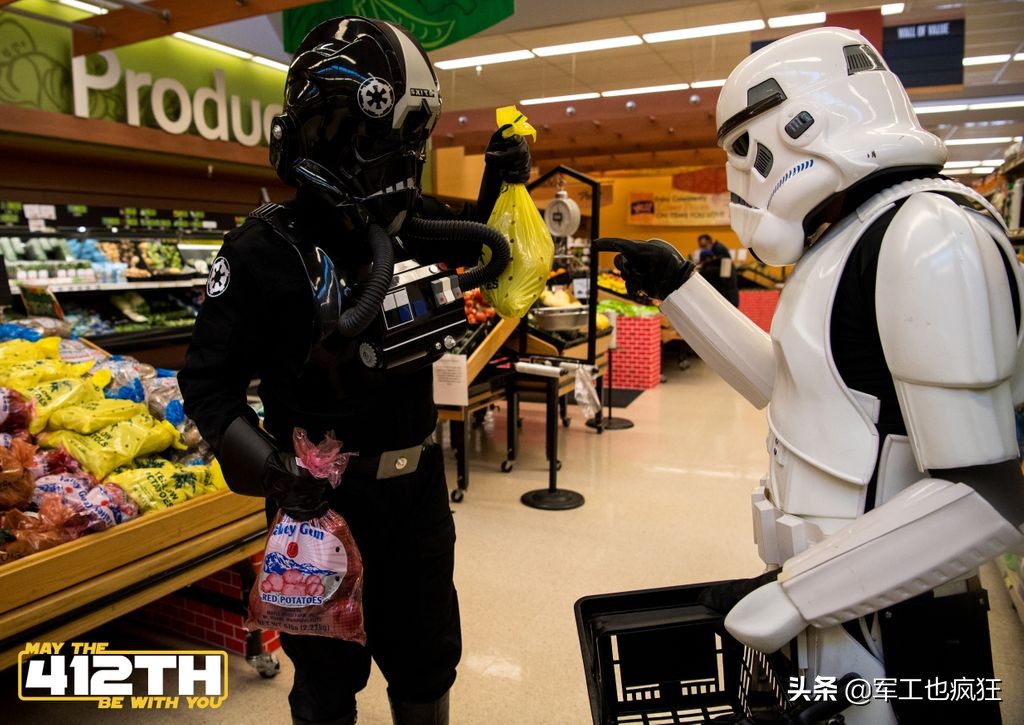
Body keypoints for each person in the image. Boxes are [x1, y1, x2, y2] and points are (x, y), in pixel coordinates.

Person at [597, 27, 1024, 724]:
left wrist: (799, 593)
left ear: (802, 124)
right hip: (840, 613)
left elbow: (987, 492)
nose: (741, 178)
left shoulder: (928, 232)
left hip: (901, 624)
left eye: (744, 151)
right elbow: (799, 388)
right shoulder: (852, 235)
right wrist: (680, 288)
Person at [179, 16, 529, 725]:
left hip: (416, 495)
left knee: (427, 665)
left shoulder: (411, 224)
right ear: (329, 131)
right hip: (316, 506)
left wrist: (501, 179)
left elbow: (477, 250)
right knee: (324, 682)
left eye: (411, 143)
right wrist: (271, 469)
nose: (400, 164)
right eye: (382, 142)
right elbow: (208, 385)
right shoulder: (258, 252)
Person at [696, 233, 739, 306]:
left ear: (709, 241)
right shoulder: (716, 249)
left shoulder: (719, 249)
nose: (703, 248)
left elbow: (725, 263)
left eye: (704, 246)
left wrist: (704, 265)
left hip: (728, 282)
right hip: (727, 281)